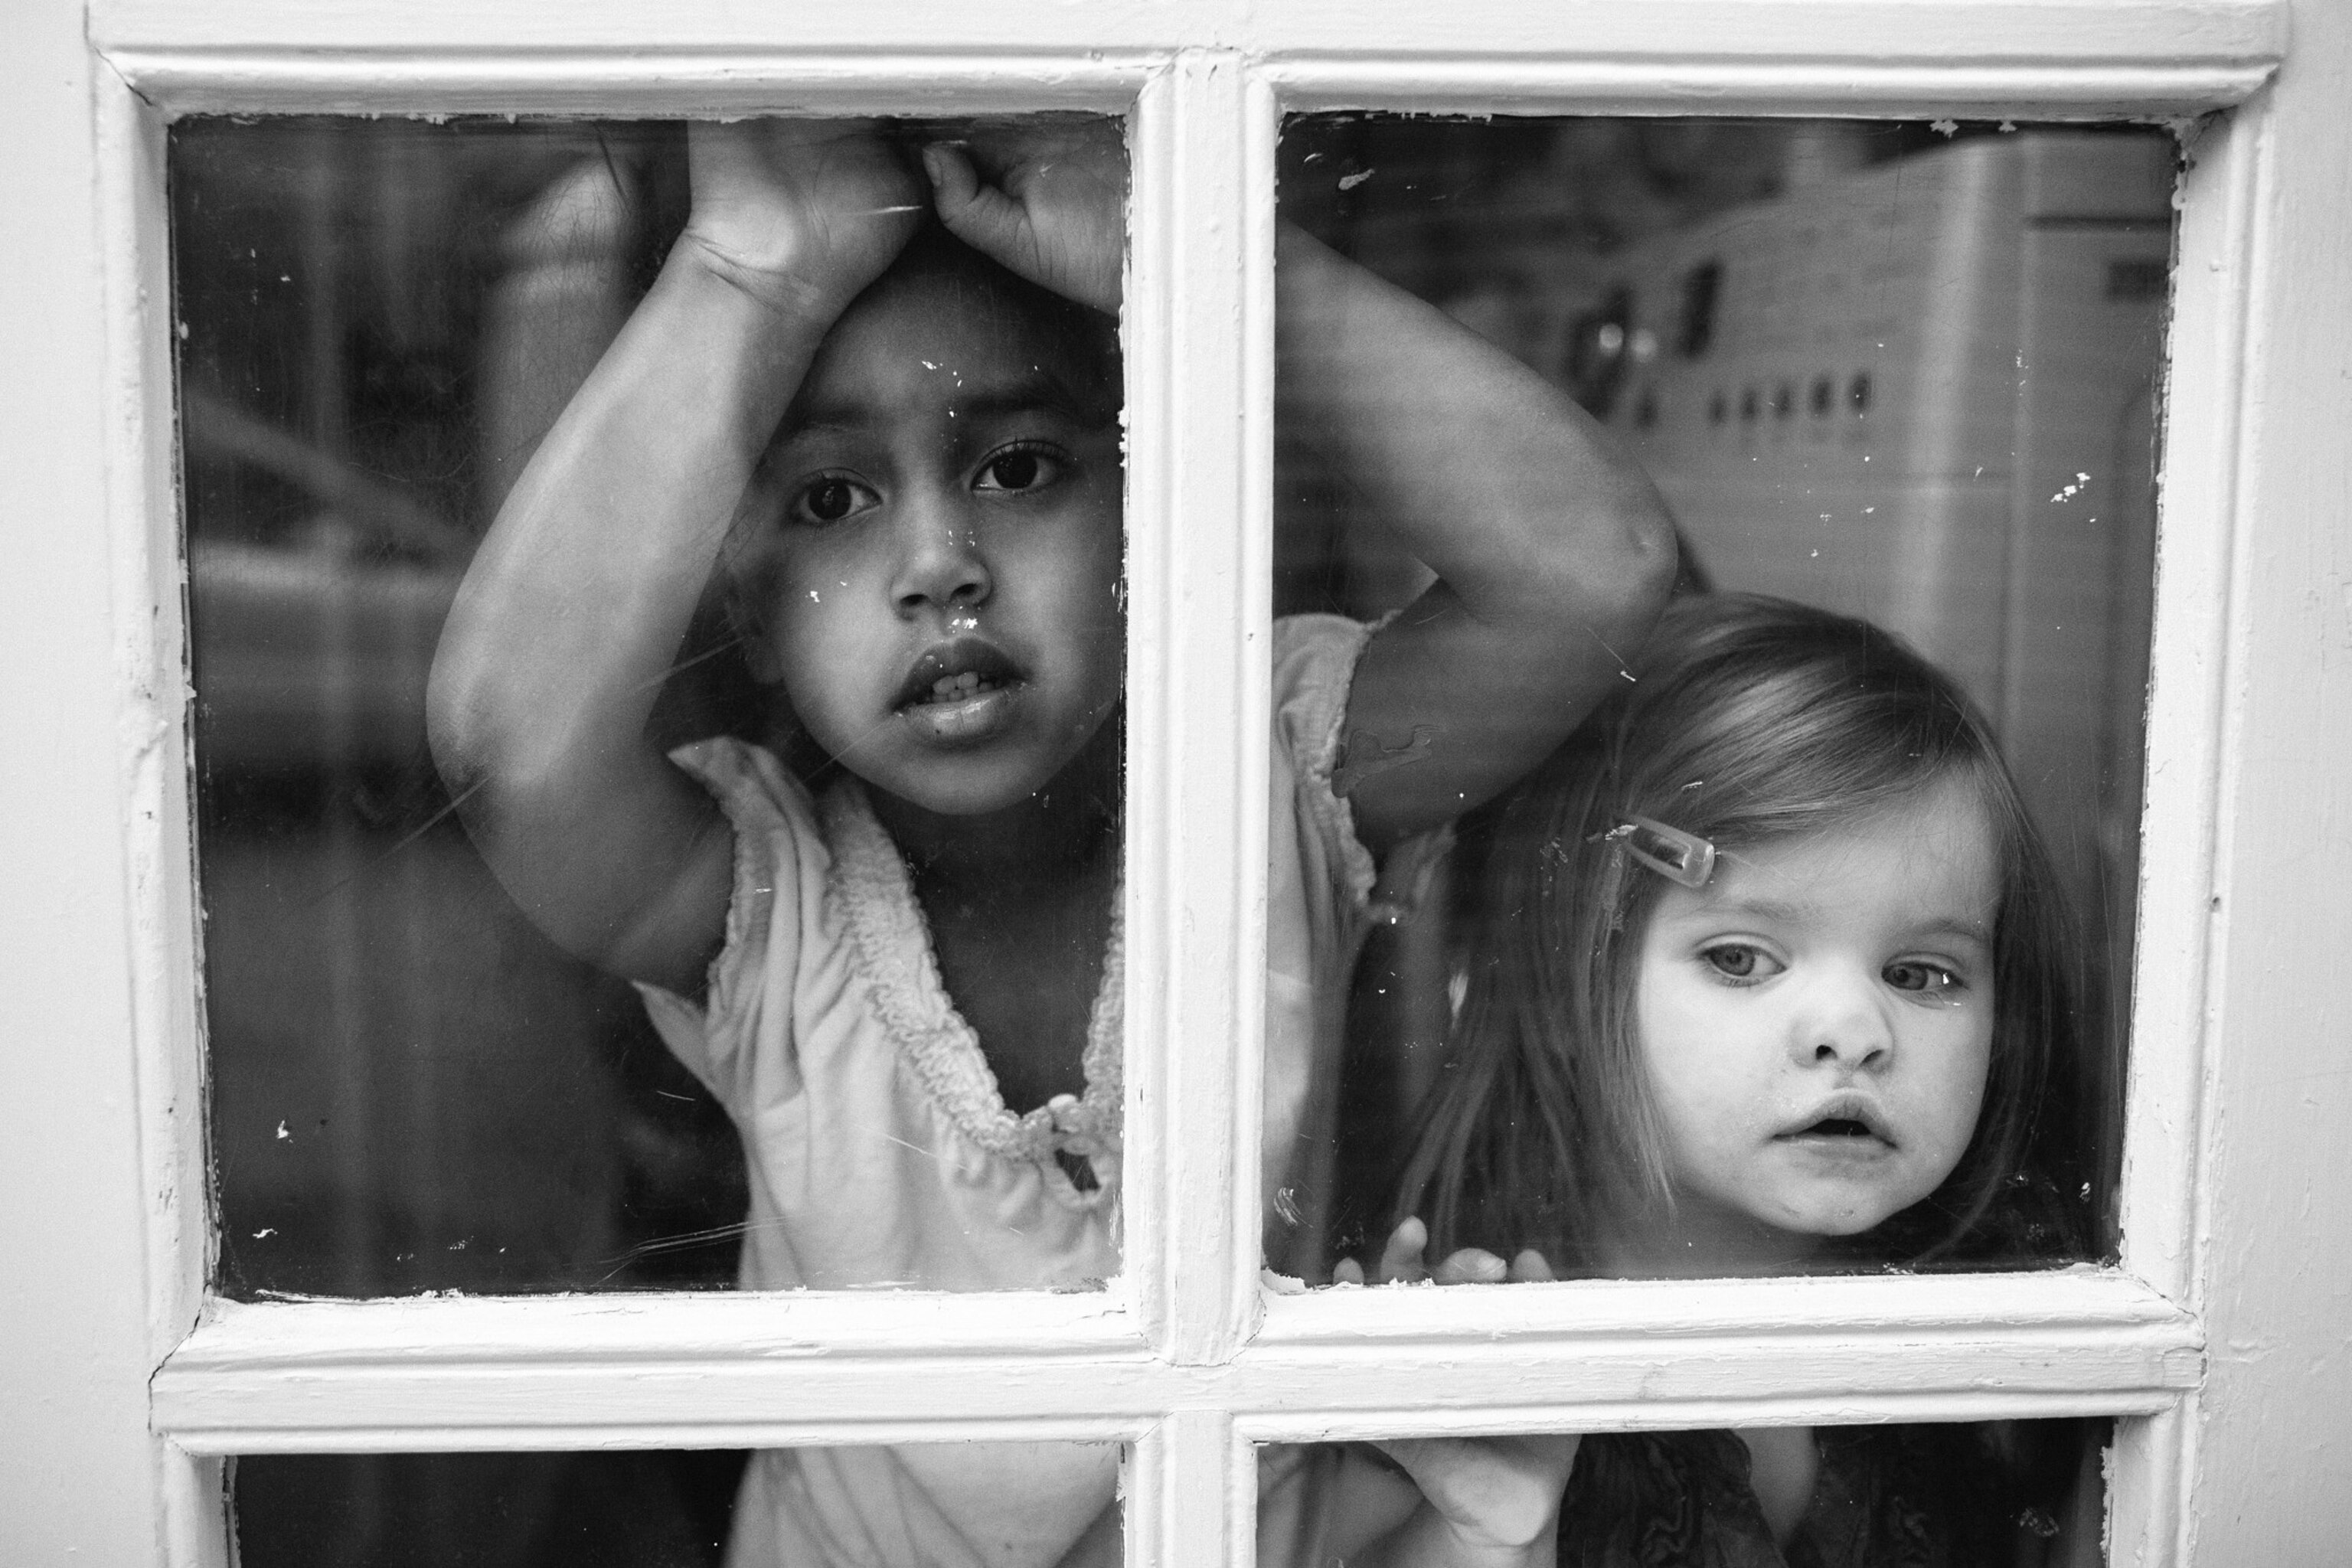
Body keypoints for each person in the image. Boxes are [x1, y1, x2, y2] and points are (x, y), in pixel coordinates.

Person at [426, 116, 1676, 1568]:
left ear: (1151, 521)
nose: (939, 563)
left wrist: (1197, 252)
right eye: (833, 499)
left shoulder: (1262, 774)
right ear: (752, 618)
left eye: (1018, 467)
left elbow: (1596, 571)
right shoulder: (764, 912)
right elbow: (507, 752)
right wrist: (752, 272)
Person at [1295, 594, 2099, 1568]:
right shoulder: (1462, 1355)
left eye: (1922, 974)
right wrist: (1489, 1528)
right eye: (1741, 958)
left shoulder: (2024, 1365)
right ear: (1573, 975)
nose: (1854, 1032)